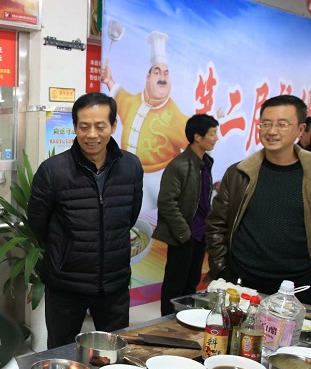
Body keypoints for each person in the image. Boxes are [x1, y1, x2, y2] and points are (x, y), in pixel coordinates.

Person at [27, 92, 144, 349]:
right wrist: (68, 250)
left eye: (100, 126)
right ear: (75, 127)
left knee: (113, 353)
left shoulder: (131, 166)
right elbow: (38, 223)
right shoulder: (53, 170)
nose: (92, 134)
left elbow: (129, 216)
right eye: (84, 126)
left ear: (113, 125)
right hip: (66, 284)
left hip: (113, 282)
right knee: (61, 352)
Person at [206, 94, 311, 304]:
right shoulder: (239, 173)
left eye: (282, 124)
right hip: (242, 283)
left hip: (298, 287)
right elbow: (216, 224)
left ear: (300, 129)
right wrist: (222, 269)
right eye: (266, 124)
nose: (272, 131)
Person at [101, 30, 188, 211]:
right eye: (157, 72)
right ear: (148, 77)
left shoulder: (174, 115)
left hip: (161, 179)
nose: (162, 78)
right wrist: (109, 80)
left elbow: (194, 143)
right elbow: (120, 95)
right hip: (128, 175)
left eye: (166, 73)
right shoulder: (133, 102)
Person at [154, 114, 219, 316]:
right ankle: (166, 322)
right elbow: (166, 203)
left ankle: (186, 318)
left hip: (201, 233)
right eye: (213, 133)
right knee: (175, 283)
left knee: (192, 281)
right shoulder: (179, 165)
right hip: (183, 234)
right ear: (197, 137)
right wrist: (184, 233)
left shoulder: (206, 163)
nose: (216, 138)